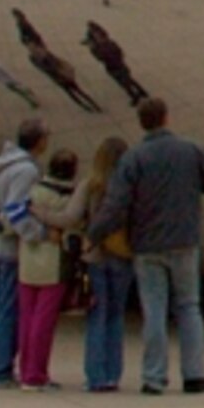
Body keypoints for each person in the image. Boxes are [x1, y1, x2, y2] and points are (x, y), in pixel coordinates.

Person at [89, 95, 204, 396]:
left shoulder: (134, 158)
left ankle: (154, 376)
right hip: (185, 239)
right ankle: (195, 374)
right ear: (166, 118)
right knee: (189, 307)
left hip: (147, 244)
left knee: (155, 311)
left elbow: (115, 204)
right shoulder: (192, 149)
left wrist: (94, 233)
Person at [0, 119, 47, 389]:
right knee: (7, 310)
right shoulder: (26, 170)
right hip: (8, 248)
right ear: (38, 141)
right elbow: (17, 210)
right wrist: (37, 234)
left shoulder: (0, 164)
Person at [15, 150, 83, 389]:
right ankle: (37, 374)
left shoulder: (32, 192)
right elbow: (73, 224)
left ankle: (26, 370)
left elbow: (14, 219)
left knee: (27, 319)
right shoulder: (69, 198)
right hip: (53, 265)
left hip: (27, 261)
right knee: (44, 323)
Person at [76, 137, 133, 389]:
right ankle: (113, 373)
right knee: (116, 315)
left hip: (96, 255)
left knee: (97, 314)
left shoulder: (92, 185)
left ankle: (95, 375)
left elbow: (72, 215)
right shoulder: (131, 185)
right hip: (123, 253)